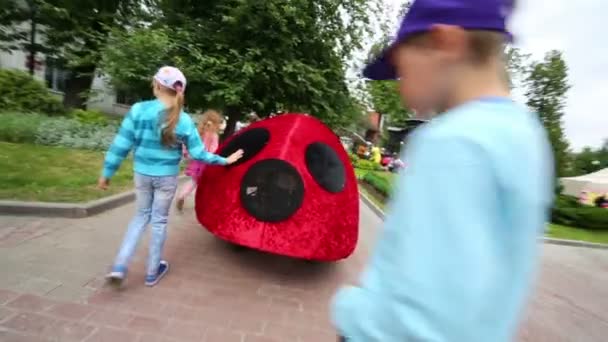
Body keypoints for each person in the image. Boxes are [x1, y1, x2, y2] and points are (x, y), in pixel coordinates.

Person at [331, 0, 554, 341]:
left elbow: (419, 317)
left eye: (403, 70)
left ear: (445, 43)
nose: (401, 88)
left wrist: (350, 309)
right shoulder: (526, 136)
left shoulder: (451, 141)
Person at [98, 66, 243, 287]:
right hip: (167, 179)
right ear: (178, 92)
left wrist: (107, 172)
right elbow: (199, 154)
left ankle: (120, 265)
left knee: (140, 217)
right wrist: (225, 160)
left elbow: (122, 144)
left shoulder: (138, 110)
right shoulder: (184, 121)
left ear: (156, 85)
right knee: (159, 222)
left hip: (142, 175)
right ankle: (152, 271)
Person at [175, 109, 223, 211]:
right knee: (208, 185)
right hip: (207, 163)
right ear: (216, 123)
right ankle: (207, 205)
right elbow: (214, 150)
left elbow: (190, 144)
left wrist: (187, 154)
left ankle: (181, 195)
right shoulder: (214, 136)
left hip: (196, 162)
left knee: (193, 182)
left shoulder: (198, 133)